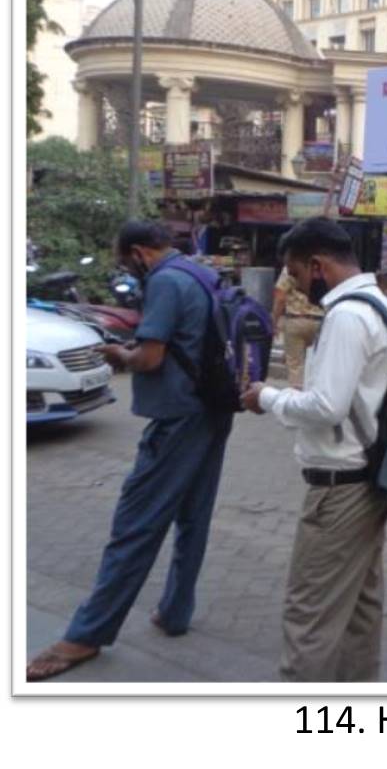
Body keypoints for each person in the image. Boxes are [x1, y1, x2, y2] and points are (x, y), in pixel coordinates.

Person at [27, 220, 234, 681]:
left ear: (139, 253)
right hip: (214, 408)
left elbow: (151, 357)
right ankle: (176, 611)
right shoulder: (198, 272)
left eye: (125, 262)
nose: (129, 270)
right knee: (193, 516)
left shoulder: (164, 281)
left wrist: (122, 356)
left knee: (135, 524)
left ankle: (86, 635)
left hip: (178, 416)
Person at [239, 218, 387, 681]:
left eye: (294, 272)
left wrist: (266, 397)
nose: (293, 284)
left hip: (339, 490)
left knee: (309, 613)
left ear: (317, 265)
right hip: (369, 476)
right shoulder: (381, 306)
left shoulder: (348, 316)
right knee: (359, 610)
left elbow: (327, 405)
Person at [273, 265, 325, 387]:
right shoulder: (322, 266)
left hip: (295, 319)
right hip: (320, 320)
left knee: (295, 366)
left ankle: (296, 397)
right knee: (318, 364)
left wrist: (274, 321)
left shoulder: (293, 265)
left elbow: (280, 296)